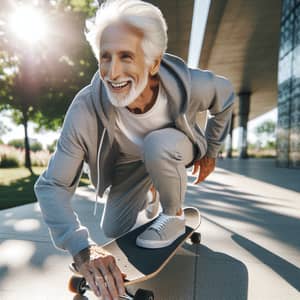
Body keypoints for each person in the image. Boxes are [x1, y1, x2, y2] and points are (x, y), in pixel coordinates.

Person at [34, 0, 235, 299]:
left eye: (126, 57)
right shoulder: (86, 107)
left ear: (153, 62)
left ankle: (173, 212)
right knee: (114, 226)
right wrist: (82, 247)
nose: (113, 73)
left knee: (158, 145)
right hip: (132, 163)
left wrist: (212, 149)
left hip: (176, 146)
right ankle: (154, 183)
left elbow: (226, 96)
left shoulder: (191, 84)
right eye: (105, 57)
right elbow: (51, 186)